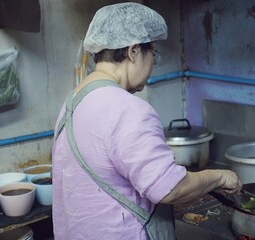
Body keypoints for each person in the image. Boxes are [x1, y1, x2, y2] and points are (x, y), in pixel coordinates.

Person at [51, 3, 242, 240]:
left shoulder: (72, 103)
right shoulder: (127, 109)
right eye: (153, 53)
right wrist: (220, 177)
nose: (152, 64)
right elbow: (171, 189)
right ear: (133, 51)